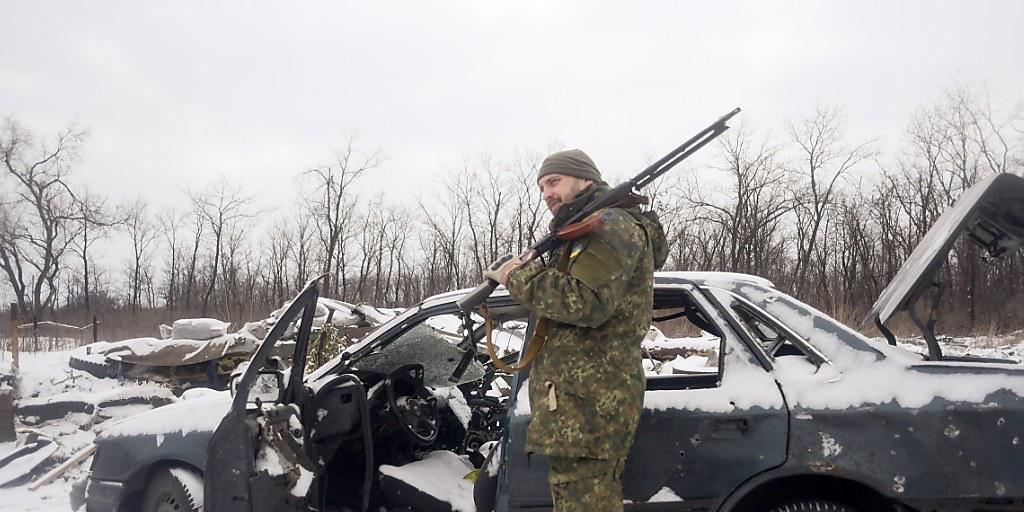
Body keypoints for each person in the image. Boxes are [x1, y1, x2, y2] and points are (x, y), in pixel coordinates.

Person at [484, 149, 668, 511]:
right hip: (580, 403)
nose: (547, 194)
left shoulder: (610, 226)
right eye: (541, 187)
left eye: (554, 182)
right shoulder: (589, 228)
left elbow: (586, 301)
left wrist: (516, 275)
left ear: (585, 179)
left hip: (589, 406)